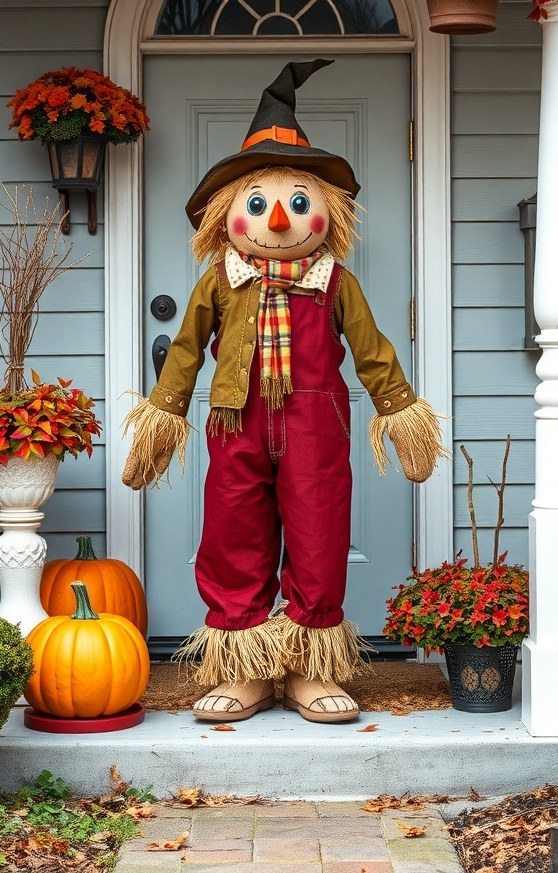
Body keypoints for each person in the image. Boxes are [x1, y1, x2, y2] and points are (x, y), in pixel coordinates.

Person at [122, 59, 446, 724]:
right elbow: (184, 353)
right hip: (233, 425)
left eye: (298, 200)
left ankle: (306, 669)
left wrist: (401, 412)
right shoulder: (220, 280)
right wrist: (162, 420)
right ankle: (244, 670)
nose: (277, 216)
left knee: (320, 533)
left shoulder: (334, 282)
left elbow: (374, 352)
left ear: (325, 212)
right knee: (233, 532)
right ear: (227, 214)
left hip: (315, 425)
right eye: (259, 201)